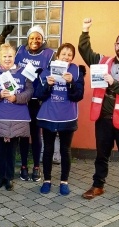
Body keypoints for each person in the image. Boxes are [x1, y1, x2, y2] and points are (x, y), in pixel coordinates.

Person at [79, 18, 119, 208]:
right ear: (115, 44)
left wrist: (113, 83)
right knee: (101, 155)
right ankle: (98, 186)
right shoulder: (103, 61)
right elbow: (86, 52)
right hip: (104, 119)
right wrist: (85, 30)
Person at [0, 25, 56, 182]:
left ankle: (36, 166)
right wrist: (3, 36)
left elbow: (56, 72)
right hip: (19, 98)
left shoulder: (49, 54)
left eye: (38, 38)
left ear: (43, 39)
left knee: (35, 135)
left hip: (36, 100)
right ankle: (23, 166)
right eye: (32, 37)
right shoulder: (20, 50)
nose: (35, 40)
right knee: (22, 135)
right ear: (27, 39)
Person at [35, 43, 85, 195]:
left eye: (70, 55)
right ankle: (47, 180)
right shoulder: (47, 70)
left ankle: (64, 182)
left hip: (67, 116)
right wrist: (48, 86)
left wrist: (71, 84)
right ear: (58, 55)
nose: (66, 57)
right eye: (64, 54)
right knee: (48, 149)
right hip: (49, 115)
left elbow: (78, 96)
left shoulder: (76, 71)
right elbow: (39, 94)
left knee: (65, 150)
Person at [0, 43, 34, 191]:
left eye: (10, 56)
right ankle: (0, 176)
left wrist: (16, 97)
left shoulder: (23, 72)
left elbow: (30, 92)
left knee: (11, 149)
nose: (7, 59)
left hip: (16, 118)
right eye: (4, 56)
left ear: (14, 57)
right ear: (0, 58)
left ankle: (9, 177)